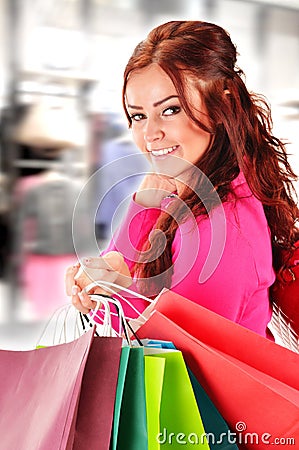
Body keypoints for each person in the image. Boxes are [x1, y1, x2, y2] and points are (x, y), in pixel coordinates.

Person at [65, 20, 299, 339]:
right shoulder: (185, 195)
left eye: (171, 109)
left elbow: (179, 357)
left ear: (222, 106)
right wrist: (103, 283)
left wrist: (114, 291)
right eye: (138, 115)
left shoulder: (225, 225)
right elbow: (130, 279)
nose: (149, 133)